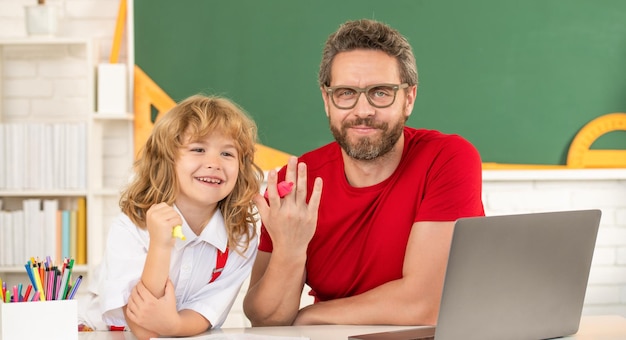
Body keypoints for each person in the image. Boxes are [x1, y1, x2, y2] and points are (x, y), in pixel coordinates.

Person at [243, 19, 485, 327]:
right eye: (345, 93)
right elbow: (265, 320)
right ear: (326, 100)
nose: (362, 110)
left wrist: (310, 316)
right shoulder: (295, 184)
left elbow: (424, 305)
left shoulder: (447, 158)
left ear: (408, 98)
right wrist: (291, 250)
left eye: (380, 93)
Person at [78, 94, 264, 340]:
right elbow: (142, 325)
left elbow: (205, 313)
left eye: (227, 154)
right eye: (198, 149)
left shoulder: (241, 239)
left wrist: (175, 325)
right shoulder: (131, 227)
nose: (214, 163)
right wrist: (161, 245)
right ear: (167, 160)